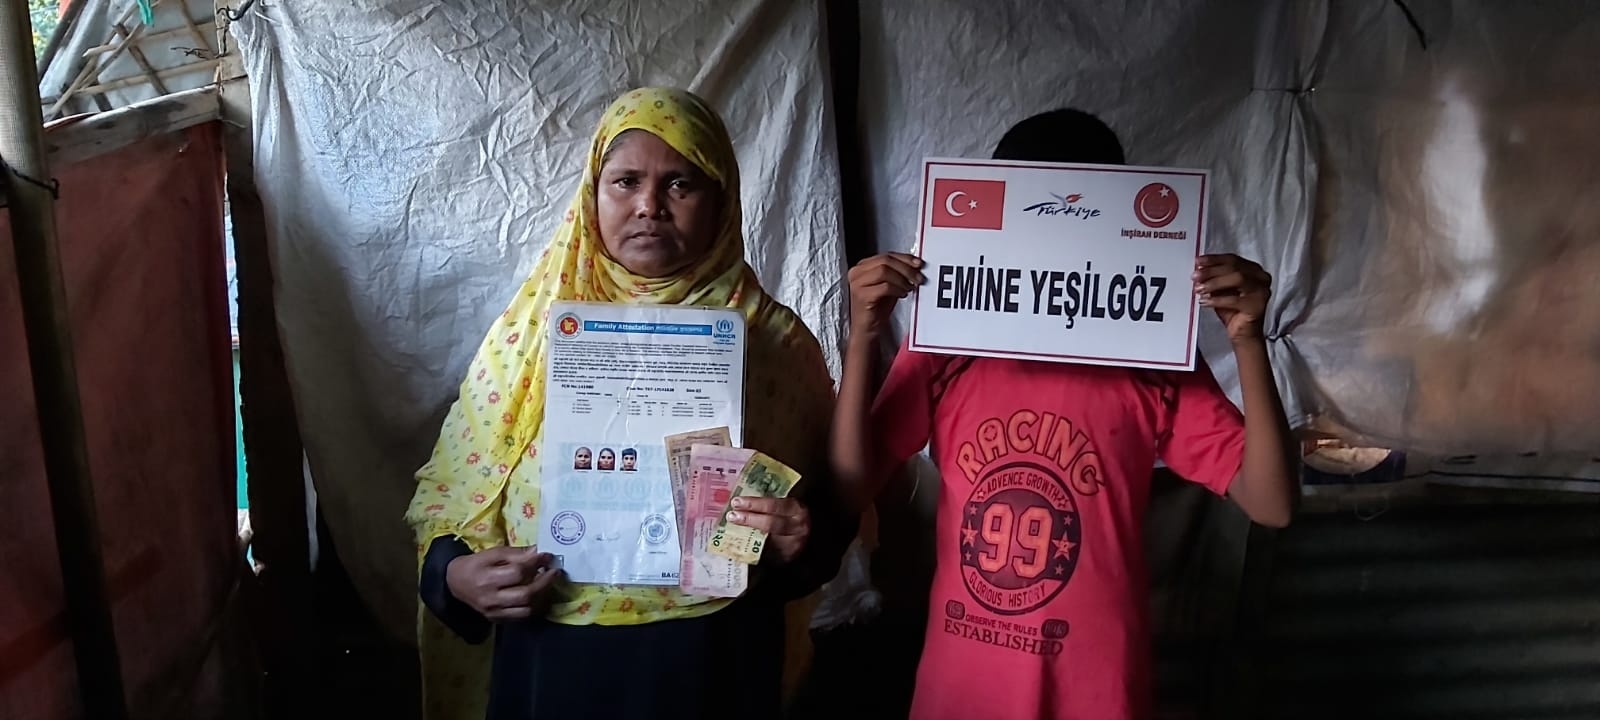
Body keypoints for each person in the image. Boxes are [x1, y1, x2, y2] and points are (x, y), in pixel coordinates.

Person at [830, 108, 1299, 720]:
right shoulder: (950, 344)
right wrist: (862, 337)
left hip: (1096, 693)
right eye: (1034, 213)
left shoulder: (1149, 355)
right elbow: (849, 488)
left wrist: (1247, 341)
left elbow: (1272, 503)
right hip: (966, 692)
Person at [404, 87, 855, 720]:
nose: (649, 206)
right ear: (593, 196)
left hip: (713, 658)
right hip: (554, 658)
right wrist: (456, 574)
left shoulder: (775, 343)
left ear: (722, 200)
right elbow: (452, 489)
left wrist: (796, 536)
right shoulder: (530, 337)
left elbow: (827, 514)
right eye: (625, 182)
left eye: (680, 184)